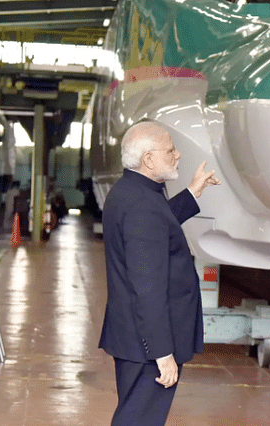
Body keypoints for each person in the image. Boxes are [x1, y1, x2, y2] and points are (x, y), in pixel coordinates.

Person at [99, 121, 220, 426]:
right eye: (170, 150)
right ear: (148, 159)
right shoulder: (142, 205)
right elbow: (147, 287)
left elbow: (159, 225)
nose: (178, 155)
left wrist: (192, 192)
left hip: (133, 338)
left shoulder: (132, 191)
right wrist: (162, 353)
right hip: (146, 345)